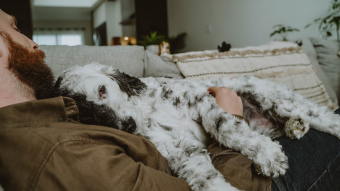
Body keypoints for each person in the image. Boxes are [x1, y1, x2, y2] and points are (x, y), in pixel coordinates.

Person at [0, 9, 339, 191]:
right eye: (14, 29)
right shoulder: (55, 154)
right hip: (256, 176)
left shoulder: (47, 118)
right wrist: (230, 120)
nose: (33, 43)